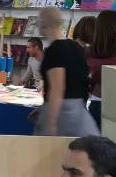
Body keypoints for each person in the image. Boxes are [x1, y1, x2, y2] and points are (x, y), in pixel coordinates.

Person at [34, 8, 98, 137]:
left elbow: (57, 88)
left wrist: (51, 122)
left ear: (43, 25)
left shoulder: (54, 50)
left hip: (63, 114)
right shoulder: (75, 47)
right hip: (79, 111)